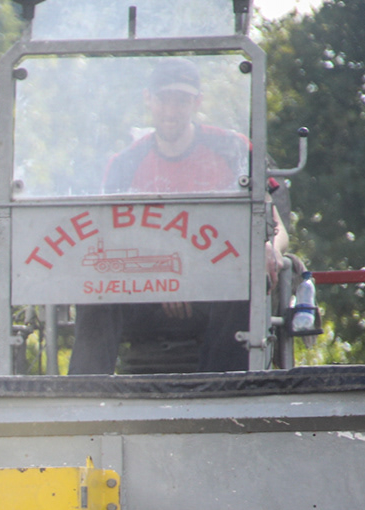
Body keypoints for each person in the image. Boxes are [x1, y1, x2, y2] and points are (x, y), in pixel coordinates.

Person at [69, 59, 289, 375]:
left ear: (197, 102)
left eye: (182, 100)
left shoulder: (234, 150)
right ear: (148, 99)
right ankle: (83, 394)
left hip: (215, 293)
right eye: (163, 99)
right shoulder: (125, 163)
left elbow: (275, 223)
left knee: (243, 283)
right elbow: (108, 241)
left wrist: (271, 247)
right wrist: (163, 282)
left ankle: (223, 390)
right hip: (143, 292)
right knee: (94, 294)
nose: (171, 110)